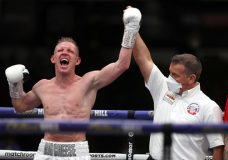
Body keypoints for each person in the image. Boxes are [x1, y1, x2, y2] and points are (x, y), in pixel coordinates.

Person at [4, 7, 142, 160]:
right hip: (46, 151)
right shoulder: (42, 86)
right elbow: (20, 106)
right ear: (53, 58)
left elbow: (121, 65)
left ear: (77, 60)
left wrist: (131, 29)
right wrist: (14, 85)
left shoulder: (89, 82)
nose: (64, 52)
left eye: (70, 51)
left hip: (77, 151)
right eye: (60, 50)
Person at [132, 32, 224, 160]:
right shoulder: (163, 87)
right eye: (170, 73)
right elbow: (143, 59)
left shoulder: (209, 107)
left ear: (191, 78)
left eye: (175, 75)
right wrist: (133, 28)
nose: (170, 78)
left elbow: (218, 148)